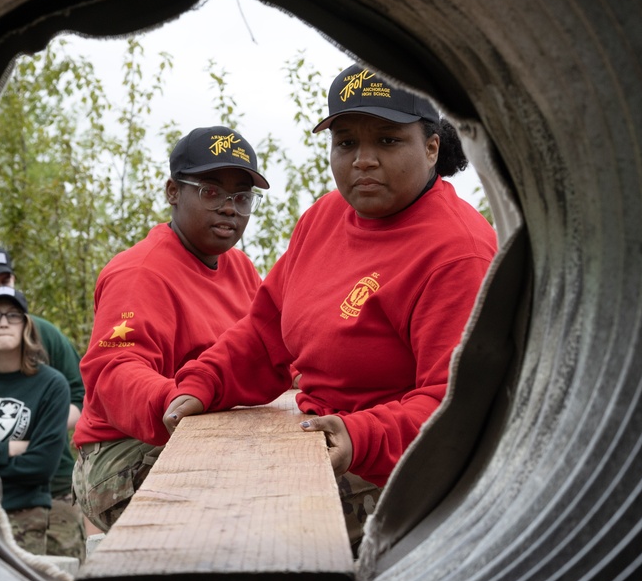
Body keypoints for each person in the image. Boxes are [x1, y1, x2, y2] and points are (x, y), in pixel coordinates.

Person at [164, 64, 498, 554]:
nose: (363, 160)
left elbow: (456, 410)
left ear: (431, 147)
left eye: (387, 141)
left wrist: (358, 435)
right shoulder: (324, 217)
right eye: (346, 143)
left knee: (240, 549)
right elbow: (264, 333)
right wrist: (204, 383)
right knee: (186, 518)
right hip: (316, 441)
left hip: (400, 473)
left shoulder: (458, 253)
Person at [72, 125, 271, 534]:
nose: (230, 208)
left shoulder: (242, 269)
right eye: (211, 191)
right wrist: (178, 400)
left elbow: (270, 348)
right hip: (122, 453)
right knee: (255, 509)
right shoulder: (139, 272)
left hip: (215, 436)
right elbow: (113, 372)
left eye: (242, 197)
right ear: (173, 191)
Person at [0, 245, 86, 560]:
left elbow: (81, 399)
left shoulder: (47, 336)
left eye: (6, 279)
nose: (4, 322)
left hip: (49, 489)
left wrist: (44, 432)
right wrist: (16, 446)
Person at [0, 286, 71, 554]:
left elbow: (42, 465)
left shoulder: (51, 385)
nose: (3, 322)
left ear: (26, 325)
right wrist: (11, 449)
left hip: (25, 516)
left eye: (13, 315)